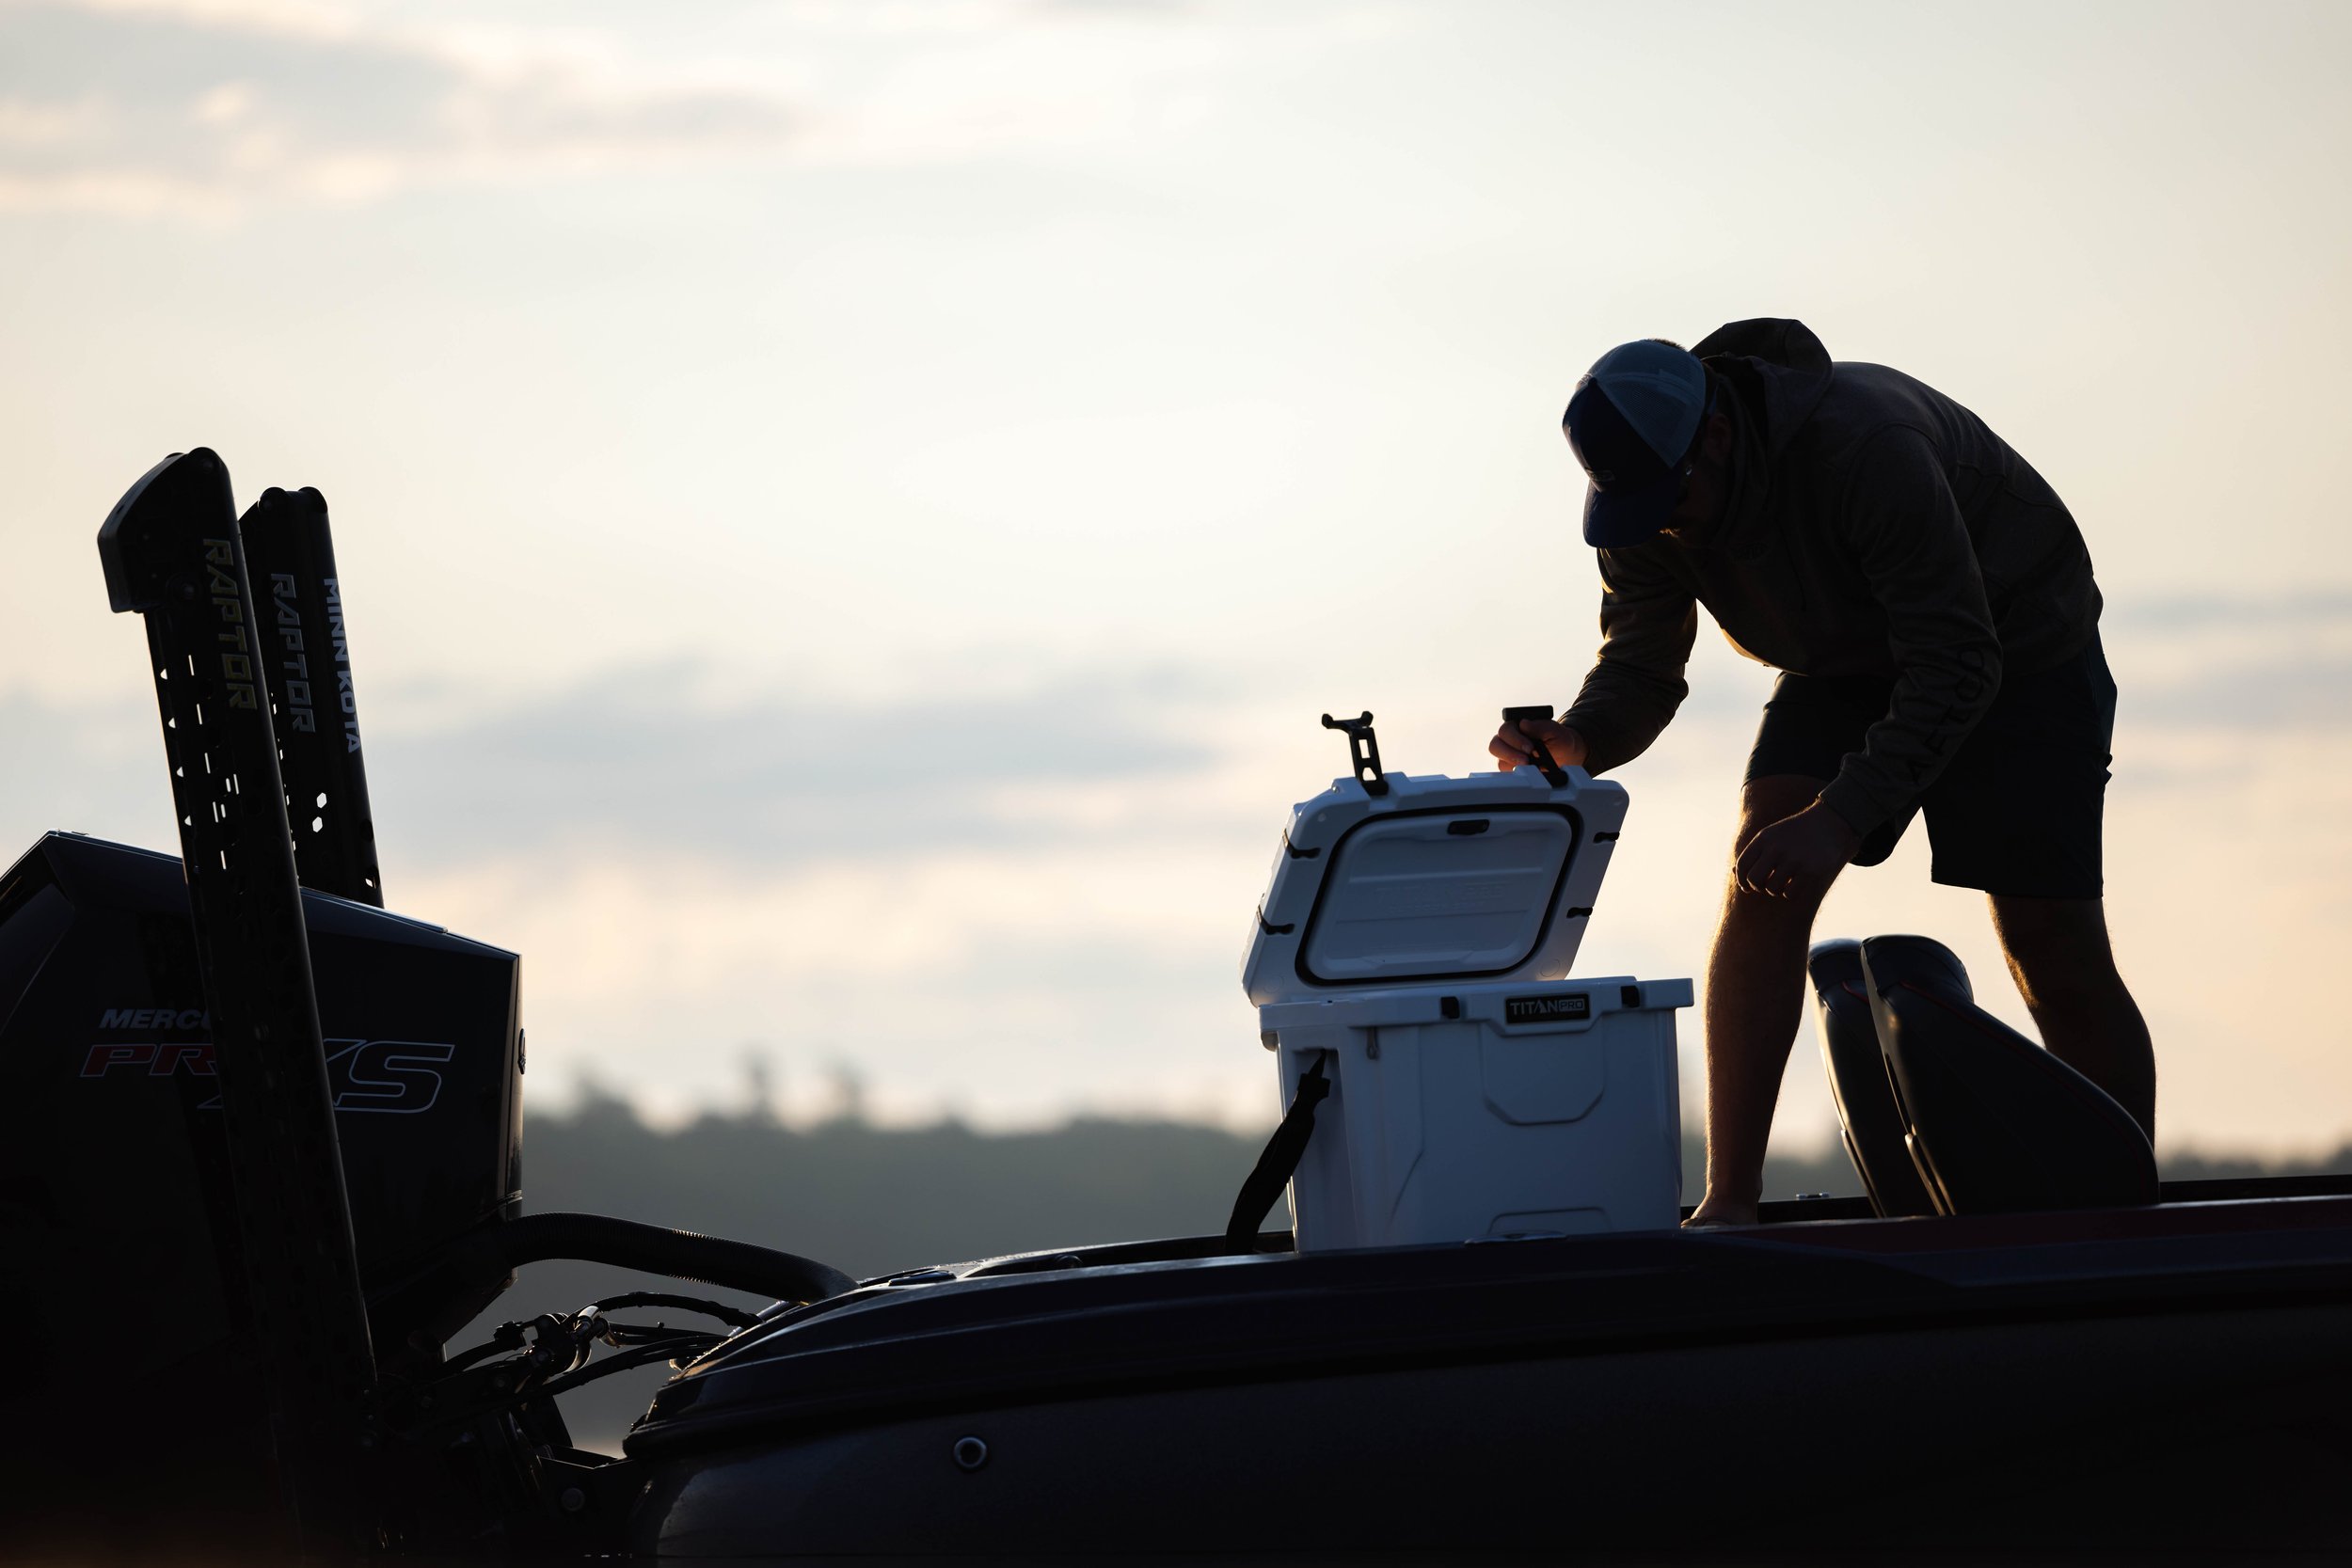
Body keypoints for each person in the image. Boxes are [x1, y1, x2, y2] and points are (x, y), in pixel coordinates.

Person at [1489, 320, 2153, 1227]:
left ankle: (2130, 1220)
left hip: (2017, 646)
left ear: (1716, 434)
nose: (1666, 523)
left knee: (2051, 945)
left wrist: (1842, 817)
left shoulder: (1867, 447)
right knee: (1758, 868)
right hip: (1839, 658)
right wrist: (1575, 740)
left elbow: (1959, 664)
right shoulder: (1646, 497)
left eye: (1673, 498)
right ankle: (1730, 1204)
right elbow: (1641, 666)